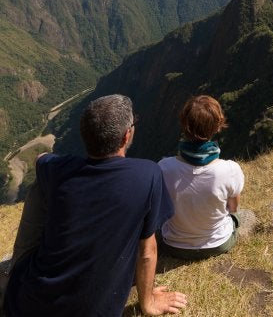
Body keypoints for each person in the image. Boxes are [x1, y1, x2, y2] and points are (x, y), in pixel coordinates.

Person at [3, 94, 187, 317]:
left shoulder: (59, 169)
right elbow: (147, 251)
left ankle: (15, 269)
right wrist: (147, 303)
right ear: (126, 136)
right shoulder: (147, 174)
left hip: (25, 303)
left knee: (42, 185)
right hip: (93, 311)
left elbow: (41, 158)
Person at [158, 95, 244, 260]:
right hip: (218, 243)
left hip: (174, 246)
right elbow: (233, 208)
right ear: (218, 126)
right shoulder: (230, 169)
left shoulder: (164, 168)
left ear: (184, 125)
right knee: (235, 218)